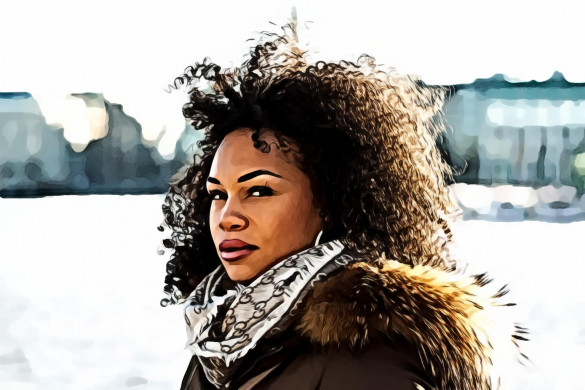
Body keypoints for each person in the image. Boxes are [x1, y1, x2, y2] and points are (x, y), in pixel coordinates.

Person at [160, 25, 525, 390]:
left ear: (331, 203)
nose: (227, 218)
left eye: (258, 191)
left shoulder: (372, 361)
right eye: (217, 194)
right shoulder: (218, 348)